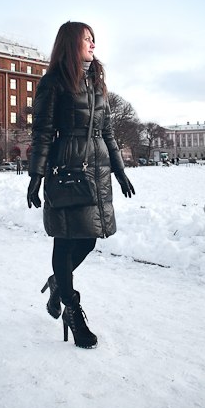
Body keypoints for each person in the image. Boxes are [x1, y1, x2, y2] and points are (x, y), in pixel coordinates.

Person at [27, 21, 135, 349]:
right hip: (66, 167)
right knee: (64, 240)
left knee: (89, 238)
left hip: (97, 168)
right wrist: (36, 175)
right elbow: (42, 132)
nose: (93, 44)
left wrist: (119, 170)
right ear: (71, 43)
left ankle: (58, 283)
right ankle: (72, 310)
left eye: (93, 39)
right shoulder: (53, 81)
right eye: (87, 39)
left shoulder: (96, 81)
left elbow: (108, 132)